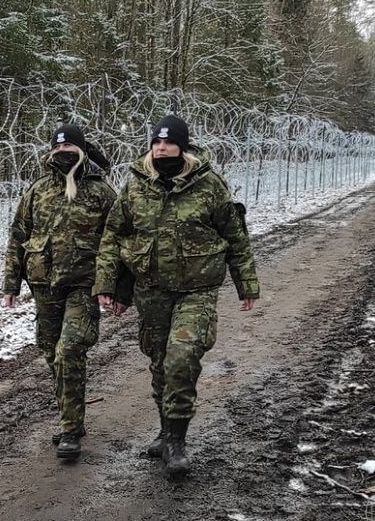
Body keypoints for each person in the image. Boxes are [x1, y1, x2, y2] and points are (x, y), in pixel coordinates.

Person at [93, 114, 259, 477]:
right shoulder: (135, 186)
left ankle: (176, 442)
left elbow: (235, 236)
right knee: (159, 363)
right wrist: (107, 284)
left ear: (183, 146)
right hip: (150, 290)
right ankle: (165, 431)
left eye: (168, 142)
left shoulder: (208, 185)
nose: (161, 147)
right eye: (156, 142)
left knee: (181, 358)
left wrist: (246, 283)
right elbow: (113, 237)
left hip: (196, 290)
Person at [2, 124, 115, 460]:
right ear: (50, 152)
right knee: (51, 352)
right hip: (44, 286)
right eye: (58, 149)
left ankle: (68, 430)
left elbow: (116, 242)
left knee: (69, 350)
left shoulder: (100, 193)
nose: (63, 154)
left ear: (82, 151)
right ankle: (74, 417)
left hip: (84, 286)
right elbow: (18, 237)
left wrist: (112, 286)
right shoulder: (37, 191)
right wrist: (11, 283)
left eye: (70, 149)